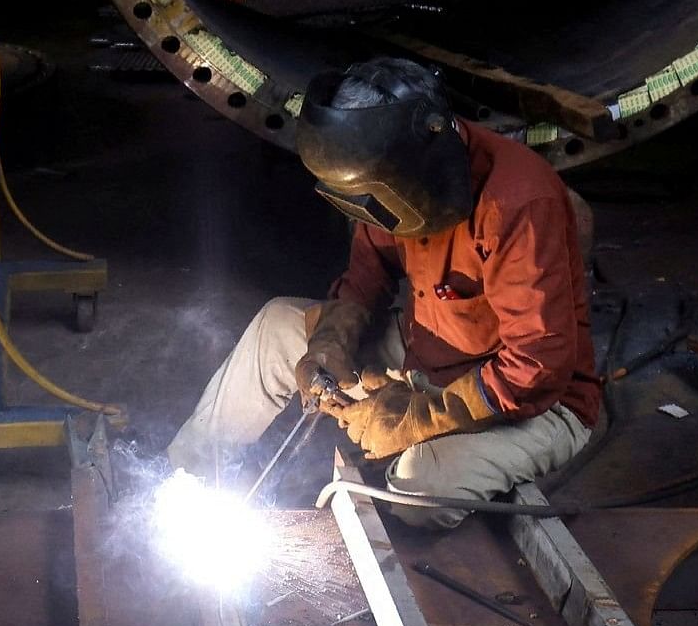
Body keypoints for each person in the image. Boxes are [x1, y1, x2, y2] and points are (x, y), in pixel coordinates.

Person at [169, 56, 600, 525]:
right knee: (278, 325)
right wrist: (331, 343)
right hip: (426, 354)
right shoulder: (391, 178)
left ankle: (468, 454)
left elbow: (536, 368)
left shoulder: (516, 201)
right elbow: (366, 277)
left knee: (418, 491)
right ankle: (184, 484)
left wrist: (415, 419)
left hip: (535, 402)